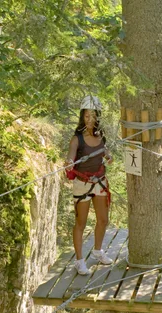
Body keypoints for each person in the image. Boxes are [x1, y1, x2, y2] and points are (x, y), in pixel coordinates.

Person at [65, 95, 113, 275]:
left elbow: (104, 149)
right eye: (86, 116)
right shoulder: (77, 139)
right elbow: (71, 155)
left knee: (103, 219)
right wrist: (69, 161)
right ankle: (79, 261)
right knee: (81, 222)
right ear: (82, 117)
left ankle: (98, 250)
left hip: (99, 182)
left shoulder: (101, 135)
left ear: (97, 116)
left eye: (93, 116)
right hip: (82, 184)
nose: (90, 119)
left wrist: (108, 155)